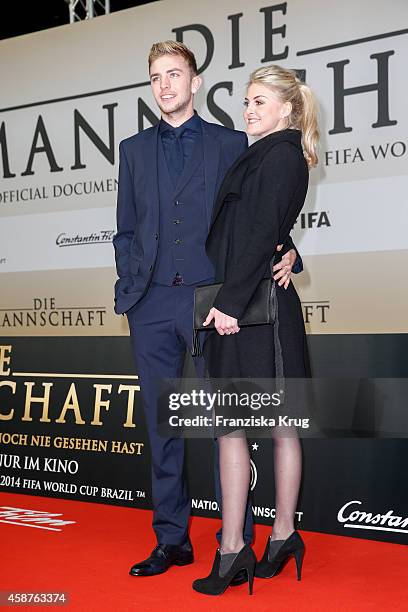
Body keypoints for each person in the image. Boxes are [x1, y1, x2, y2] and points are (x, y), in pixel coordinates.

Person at [113, 41, 301, 579]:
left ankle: (230, 540)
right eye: (156, 77)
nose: (165, 85)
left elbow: (263, 216)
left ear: (196, 82)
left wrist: (290, 249)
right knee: (163, 426)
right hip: (151, 304)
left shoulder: (232, 142)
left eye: (174, 74)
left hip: (216, 304)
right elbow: (125, 227)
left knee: (227, 427)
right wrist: (132, 281)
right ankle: (171, 539)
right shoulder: (131, 150)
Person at [192, 65, 319, 596]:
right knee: (241, 426)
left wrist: (227, 305)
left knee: (264, 426)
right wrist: (292, 250)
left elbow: (262, 231)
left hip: (253, 311)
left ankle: (260, 542)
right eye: (246, 101)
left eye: (260, 101)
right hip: (252, 303)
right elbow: (269, 232)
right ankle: (246, 544)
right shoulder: (269, 152)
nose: (248, 109)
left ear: (287, 109)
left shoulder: (283, 153)